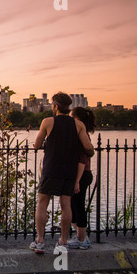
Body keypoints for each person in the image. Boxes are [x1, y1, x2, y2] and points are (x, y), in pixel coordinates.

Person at [30, 92, 94, 254]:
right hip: (69, 170)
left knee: (42, 203)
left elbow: (36, 144)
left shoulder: (47, 122)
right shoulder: (78, 125)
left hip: (51, 168)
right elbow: (88, 148)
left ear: (56, 106)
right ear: (68, 107)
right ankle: (63, 241)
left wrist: (42, 143)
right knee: (66, 205)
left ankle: (40, 241)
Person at [68, 107, 96, 249]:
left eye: (71, 116)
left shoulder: (82, 134)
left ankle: (82, 239)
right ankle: (80, 236)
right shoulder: (81, 133)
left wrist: (76, 181)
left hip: (81, 175)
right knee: (73, 206)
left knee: (78, 207)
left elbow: (82, 160)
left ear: (77, 119)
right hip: (81, 175)